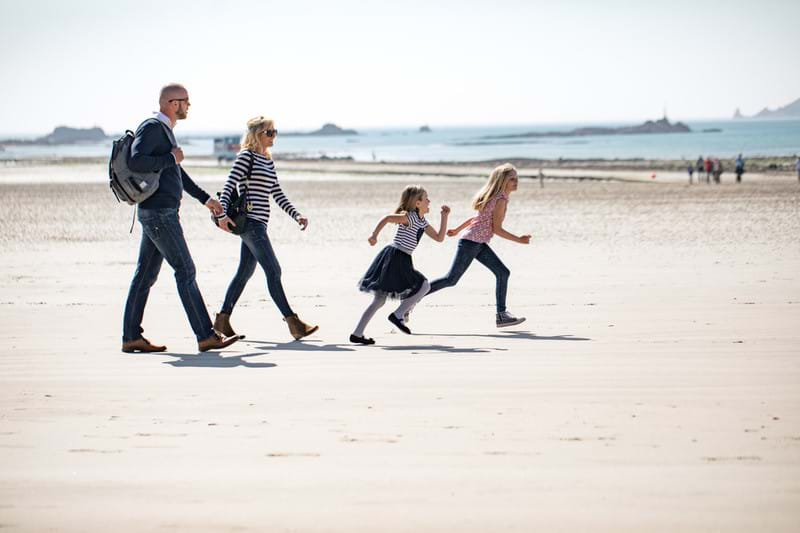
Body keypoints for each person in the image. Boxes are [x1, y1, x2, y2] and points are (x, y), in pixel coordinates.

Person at [122, 84, 241, 353]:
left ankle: (131, 337)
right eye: (186, 102)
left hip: (158, 213)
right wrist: (170, 157)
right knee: (185, 271)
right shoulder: (153, 128)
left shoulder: (164, 131)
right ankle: (205, 335)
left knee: (144, 276)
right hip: (160, 214)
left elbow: (177, 173)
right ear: (172, 103)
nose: (188, 106)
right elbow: (136, 161)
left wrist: (206, 199)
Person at [214, 116, 318, 341]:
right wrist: (222, 214)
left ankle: (222, 318)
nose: (273, 136)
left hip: (259, 223)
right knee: (274, 271)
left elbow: (277, 193)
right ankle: (294, 323)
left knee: (244, 272)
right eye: (268, 132)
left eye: (274, 131)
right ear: (256, 134)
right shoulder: (246, 156)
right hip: (250, 223)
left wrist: (296, 214)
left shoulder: (267, 160)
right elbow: (230, 183)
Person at [425, 163, 531, 328]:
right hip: (471, 243)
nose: (516, 182)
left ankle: (502, 315)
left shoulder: (495, 196)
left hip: (477, 242)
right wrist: (520, 239)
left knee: (503, 272)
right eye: (512, 179)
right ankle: (412, 296)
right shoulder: (500, 199)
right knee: (451, 279)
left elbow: (476, 219)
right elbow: (497, 229)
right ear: (502, 180)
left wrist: (458, 229)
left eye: (517, 178)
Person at [350, 186, 449, 344]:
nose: (429, 201)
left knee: (379, 300)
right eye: (426, 198)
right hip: (395, 257)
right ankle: (398, 315)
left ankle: (357, 333)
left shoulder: (422, 221)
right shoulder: (409, 217)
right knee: (424, 286)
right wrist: (374, 235)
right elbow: (387, 218)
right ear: (417, 203)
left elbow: (439, 237)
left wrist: (444, 217)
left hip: (402, 258)